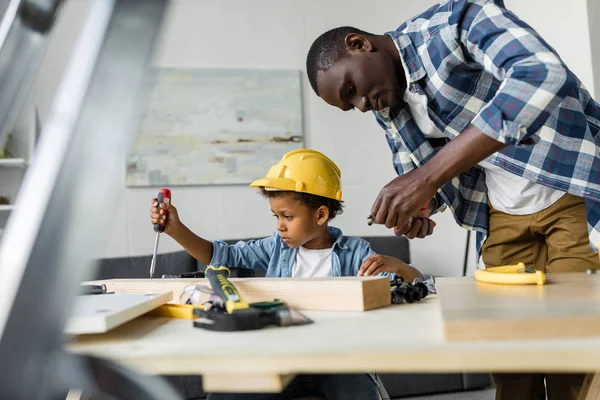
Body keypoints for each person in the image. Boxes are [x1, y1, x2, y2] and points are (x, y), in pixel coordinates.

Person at [305, 0, 600, 399]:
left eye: (352, 89)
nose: (361, 105)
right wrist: (424, 207)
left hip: (570, 190)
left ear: (359, 44)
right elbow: (435, 176)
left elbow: (540, 75)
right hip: (502, 214)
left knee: (573, 347)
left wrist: (427, 177)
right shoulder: (388, 104)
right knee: (511, 357)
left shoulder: (457, 22)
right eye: (349, 104)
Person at [149, 148, 423, 400]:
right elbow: (225, 255)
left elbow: (417, 289)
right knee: (225, 394)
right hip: (281, 355)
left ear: (321, 215)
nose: (279, 226)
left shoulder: (356, 253)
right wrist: (176, 229)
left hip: (340, 359)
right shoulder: (276, 248)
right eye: (275, 216)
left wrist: (399, 267)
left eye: (287, 217)